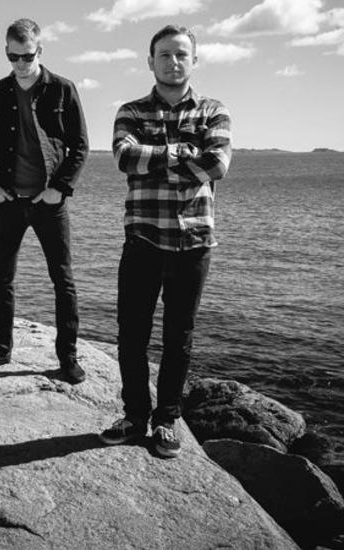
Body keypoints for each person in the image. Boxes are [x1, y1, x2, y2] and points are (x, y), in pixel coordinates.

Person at [99, 25, 231, 458]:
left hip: (194, 241)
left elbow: (217, 163)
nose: (173, 62)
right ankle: (135, 415)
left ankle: (166, 421)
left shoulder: (213, 111)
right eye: (164, 55)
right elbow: (123, 157)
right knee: (131, 334)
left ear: (194, 60)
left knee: (179, 337)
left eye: (181, 54)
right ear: (150, 61)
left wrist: (154, 161)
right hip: (143, 238)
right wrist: (179, 154)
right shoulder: (132, 111)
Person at [0, 18, 89, 384]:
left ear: (40, 51)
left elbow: (80, 146)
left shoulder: (63, 90)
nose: (20, 63)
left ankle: (68, 357)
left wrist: (59, 188)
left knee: (63, 280)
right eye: (13, 56)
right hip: (9, 200)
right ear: (6, 52)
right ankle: (0, 349)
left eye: (27, 56)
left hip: (49, 202)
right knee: (2, 279)